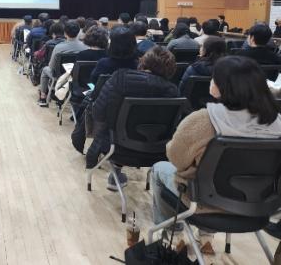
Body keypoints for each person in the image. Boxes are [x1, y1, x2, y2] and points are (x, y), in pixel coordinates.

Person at [151, 56, 281, 255]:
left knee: (159, 169)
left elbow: (176, 158)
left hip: (204, 204)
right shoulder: (277, 122)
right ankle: (206, 238)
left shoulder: (203, 120)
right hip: (261, 207)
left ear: (223, 87)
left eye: (214, 78)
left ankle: (172, 233)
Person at [83, 47, 179, 190]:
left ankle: (115, 173)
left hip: (116, 147)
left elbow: (98, 113)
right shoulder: (173, 91)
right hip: (157, 151)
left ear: (144, 62)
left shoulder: (120, 78)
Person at [38, 21, 86, 107]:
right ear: (78, 32)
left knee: (45, 70)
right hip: (77, 76)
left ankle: (43, 97)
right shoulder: (85, 47)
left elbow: (51, 66)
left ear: (65, 33)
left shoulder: (59, 47)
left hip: (59, 75)